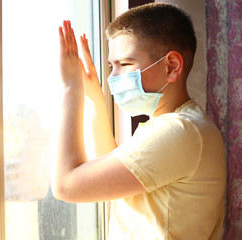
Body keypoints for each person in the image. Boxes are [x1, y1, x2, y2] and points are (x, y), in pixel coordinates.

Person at [53, 3, 226, 240]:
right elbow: (113, 178)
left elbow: (66, 185)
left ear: (171, 66)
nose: (112, 77)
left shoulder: (180, 131)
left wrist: (71, 88)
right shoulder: (180, 127)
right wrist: (93, 96)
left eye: (125, 64)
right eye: (111, 66)